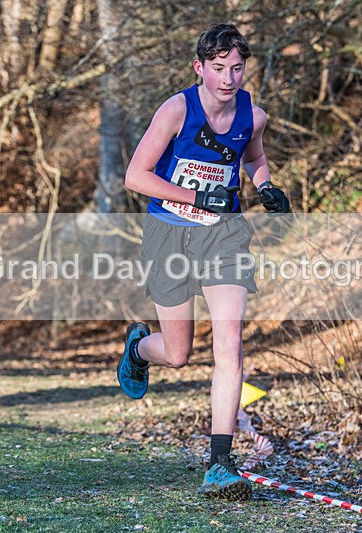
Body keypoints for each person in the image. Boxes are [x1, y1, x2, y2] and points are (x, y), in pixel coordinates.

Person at [116, 23, 290, 501]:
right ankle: (137, 350)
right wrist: (193, 194)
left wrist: (267, 187)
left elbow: (253, 157)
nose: (228, 78)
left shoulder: (252, 115)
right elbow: (136, 176)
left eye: (236, 68)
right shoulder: (176, 110)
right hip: (169, 233)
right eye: (218, 69)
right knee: (177, 354)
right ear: (199, 67)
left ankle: (220, 464)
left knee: (230, 345)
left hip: (224, 235)